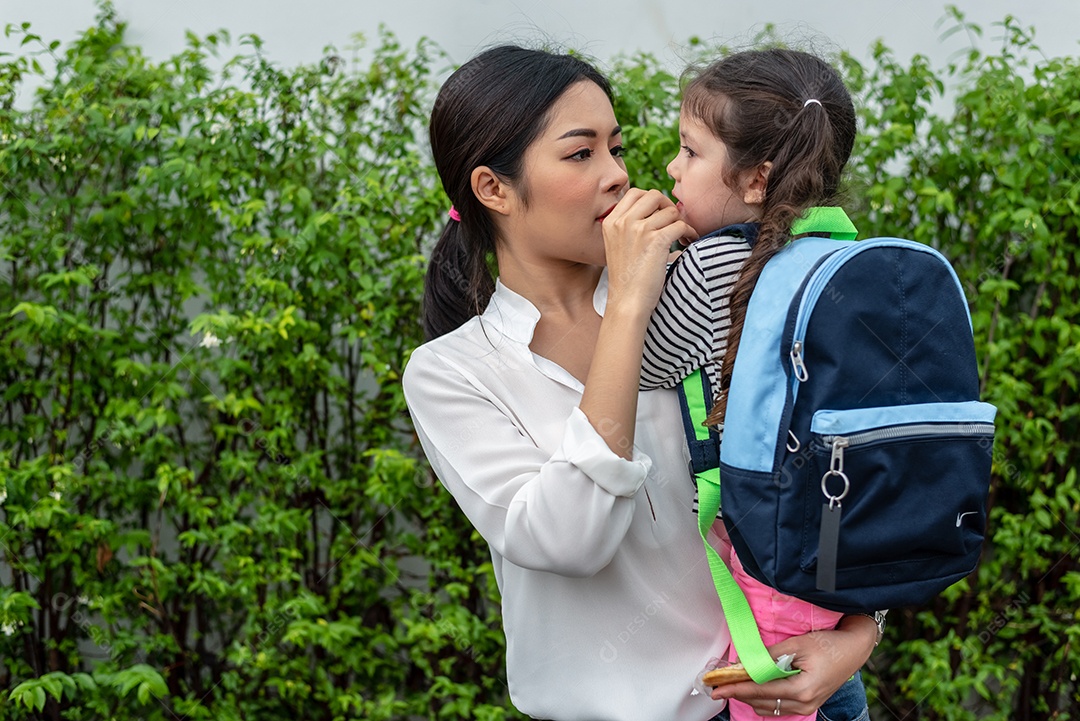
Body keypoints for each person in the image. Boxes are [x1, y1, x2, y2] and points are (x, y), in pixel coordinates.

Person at [402, 44, 878, 721]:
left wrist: (858, 637)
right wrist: (628, 304)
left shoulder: (708, 293)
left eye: (617, 148)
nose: (618, 176)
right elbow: (568, 539)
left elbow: (833, 467)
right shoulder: (453, 373)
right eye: (580, 154)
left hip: (794, 697)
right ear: (494, 189)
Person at [639, 49, 873, 721]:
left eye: (689, 151)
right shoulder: (840, 256)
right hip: (831, 590)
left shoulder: (717, 262)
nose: (671, 169)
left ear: (756, 178)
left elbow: (643, 363)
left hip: (759, 599)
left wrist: (640, 267)